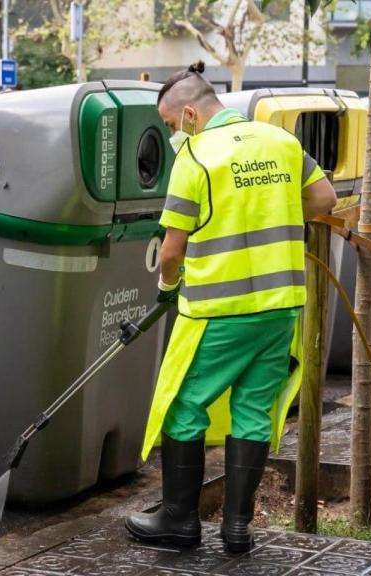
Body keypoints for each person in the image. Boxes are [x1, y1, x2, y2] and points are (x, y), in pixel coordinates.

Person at [125, 61, 337, 553]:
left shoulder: (195, 157)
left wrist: (167, 284)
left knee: (183, 406)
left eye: (173, 125)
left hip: (220, 308)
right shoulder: (280, 142)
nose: (173, 134)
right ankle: (237, 528)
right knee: (253, 411)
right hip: (281, 306)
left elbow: (173, 249)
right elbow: (324, 199)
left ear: (192, 115)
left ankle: (179, 519)